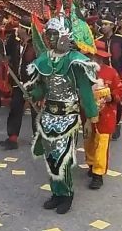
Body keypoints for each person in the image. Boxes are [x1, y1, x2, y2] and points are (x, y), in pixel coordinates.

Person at [25, 14, 98, 214]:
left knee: (63, 158)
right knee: (50, 158)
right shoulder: (44, 60)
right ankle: (56, 193)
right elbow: (42, 88)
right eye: (49, 35)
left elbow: (84, 91)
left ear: (65, 36)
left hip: (69, 117)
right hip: (48, 116)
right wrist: (31, 93)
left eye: (54, 34)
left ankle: (67, 194)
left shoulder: (75, 61)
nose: (51, 39)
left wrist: (91, 118)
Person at [84, 39, 122, 190]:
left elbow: (119, 90)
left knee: (102, 142)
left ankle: (98, 174)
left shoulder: (111, 72)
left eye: (98, 57)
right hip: (88, 112)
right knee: (88, 139)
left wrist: (112, 97)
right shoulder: (83, 71)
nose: (95, 59)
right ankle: (91, 164)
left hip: (106, 113)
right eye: (92, 56)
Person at [0, 16, 36, 150]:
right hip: (17, 83)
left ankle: (37, 137)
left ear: (25, 30)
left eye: (20, 27)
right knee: (15, 108)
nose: (17, 29)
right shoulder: (15, 43)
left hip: (32, 84)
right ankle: (12, 138)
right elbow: (8, 55)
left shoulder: (35, 47)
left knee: (35, 111)